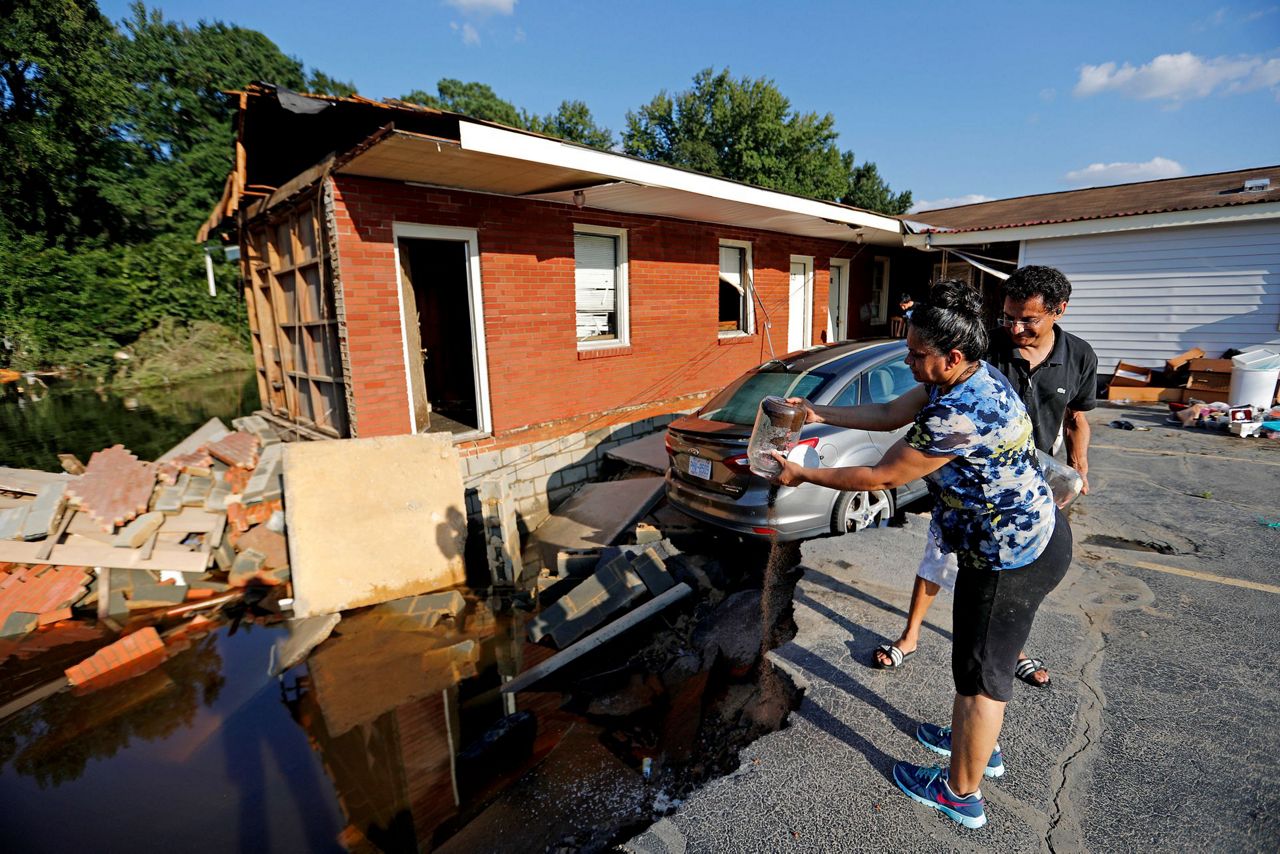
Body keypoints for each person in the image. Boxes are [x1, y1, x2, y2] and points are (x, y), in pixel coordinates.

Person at [768, 279, 1073, 829]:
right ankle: (973, 750)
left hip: (1011, 557)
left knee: (981, 677)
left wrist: (800, 471)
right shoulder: (969, 375)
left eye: (916, 353)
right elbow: (888, 412)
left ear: (952, 356)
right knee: (980, 668)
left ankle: (962, 793)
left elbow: (880, 474)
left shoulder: (957, 412)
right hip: (1026, 539)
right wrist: (816, 414)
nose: (908, 360)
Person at [872, 265, 1097, 688]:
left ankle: (1009, 650)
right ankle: (911, 635)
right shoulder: (983, 349)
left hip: (1031, 475)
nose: (1014, 328)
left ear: (1058, 311)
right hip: (968, 480)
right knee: (938, 559)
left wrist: (1078, 468)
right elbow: (921, 407)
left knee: (1010, 584)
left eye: (1027, 319)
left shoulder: (1080, 356)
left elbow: (1077, 418)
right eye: (1008, 316)